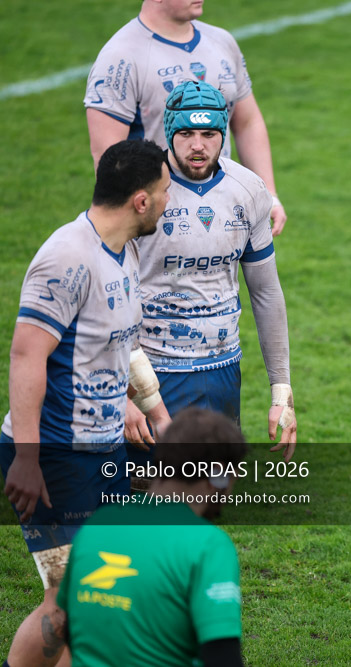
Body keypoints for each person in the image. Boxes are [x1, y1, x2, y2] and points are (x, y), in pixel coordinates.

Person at [1, 139, 172, 667]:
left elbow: (118, 342)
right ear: (140, 201)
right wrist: (27, 457)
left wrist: (149, 408)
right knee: (73, 600)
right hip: (55, 457)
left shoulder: (125, 250)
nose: (169, 201)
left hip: (103, 453)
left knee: (99, 596)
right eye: (164, 192)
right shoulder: (66, 258)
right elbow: (27, 355)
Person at [125, 80, 297, 458]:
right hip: (151, 372)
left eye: (209, 133)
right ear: (170, 132)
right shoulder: (138, 189)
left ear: (223, 134)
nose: (198, 145)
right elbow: (104, 295)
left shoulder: (249, 190)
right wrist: (119, 391)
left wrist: (281, 390)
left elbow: (266, 292)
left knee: (210, 494)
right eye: (186, 133)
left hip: (222, 371)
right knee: (150, 500)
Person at [55, 408, 247, 667]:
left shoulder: (97, 524)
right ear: (218, 477)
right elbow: (222, 657)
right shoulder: (208, 545)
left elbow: (67, 628)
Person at [84, 0, 288, 235]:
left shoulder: (222, 42)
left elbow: (247, 123)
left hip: (224, 214)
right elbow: (107, 156)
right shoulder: (120, 56)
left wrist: (268, 195)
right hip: (156, 223)